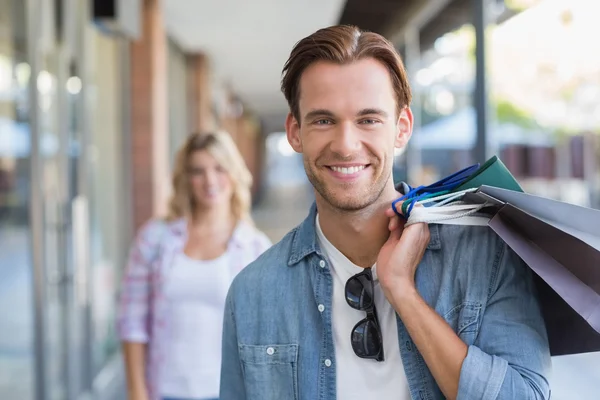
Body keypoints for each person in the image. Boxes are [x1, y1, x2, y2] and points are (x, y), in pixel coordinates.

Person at [220, 25, 551, 400]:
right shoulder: (253, 293)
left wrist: (403, 293)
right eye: (324, 120)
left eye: (368, 119)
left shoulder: (485, 258)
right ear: (295, 132)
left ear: (402, 128)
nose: (346, 146)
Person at [118, 132, 272, 400]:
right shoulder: (154, 239)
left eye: (219, 168)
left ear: (234, 174)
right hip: (163, 391)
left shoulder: (255, 248)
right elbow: (132, 321)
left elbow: (268, 333)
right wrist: (137, 391)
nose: (210, 181)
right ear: (186, 179)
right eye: (198, 171)